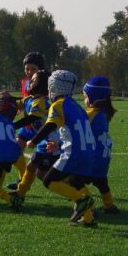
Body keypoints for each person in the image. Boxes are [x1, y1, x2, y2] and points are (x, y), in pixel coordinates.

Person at [27, 70, 97, 227]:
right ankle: (89, 218)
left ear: (54, 87)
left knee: (49, 180)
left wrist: (34, 140)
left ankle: (82, 200)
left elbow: (50, 125)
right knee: (74, 181)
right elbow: (77, 131)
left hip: (74, 153)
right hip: (89, 152)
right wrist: (59, 144)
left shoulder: (58, 105)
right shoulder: (77, 106)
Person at [70, 76, 119, 217]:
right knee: (101, 182)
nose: (84, 100)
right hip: (104, 155)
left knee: (74, 180)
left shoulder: (90, 114)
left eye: (85, 96)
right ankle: (109, 206)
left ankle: (88, 205)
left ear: (92, 97)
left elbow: (77, 128)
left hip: (93, 156)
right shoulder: (104, 113)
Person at [10, 70, 59, 209]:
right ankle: (20, 192)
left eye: (34, 80)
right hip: (44, 141)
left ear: (43, 85)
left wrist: (13, 125)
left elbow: (32, 118)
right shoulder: (30, 99)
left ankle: (79, 195)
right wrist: (0, 103)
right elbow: (17, 103)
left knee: (45, 176)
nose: (30, 82)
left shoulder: (41, 102)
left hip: (51, 142)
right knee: (33, 168)